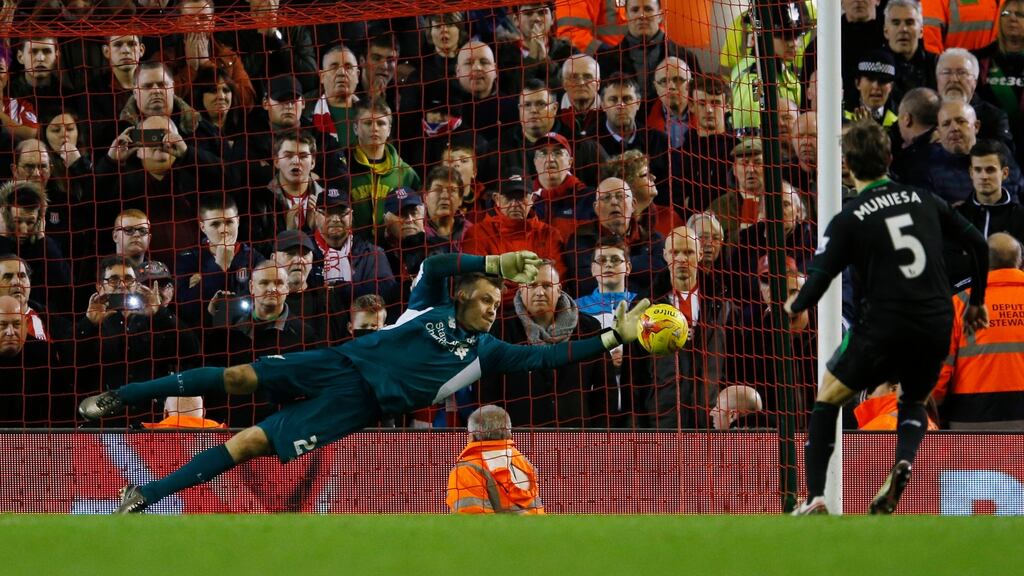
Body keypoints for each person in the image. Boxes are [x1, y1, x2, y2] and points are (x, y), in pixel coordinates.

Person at [78, 251, 650, 513]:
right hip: (338, 360)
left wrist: (614, 338)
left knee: (250, 442)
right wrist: (494, 262)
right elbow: (433, 265)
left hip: (357, 407)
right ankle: (117, 398)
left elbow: (552, 360)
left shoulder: (491, 353)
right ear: (463, 298)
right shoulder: (429, 305)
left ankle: (143, 496)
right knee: (236, 376)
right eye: (484, 299)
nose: (492, 309)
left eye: (495, 303)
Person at [787, 120, 990, 516]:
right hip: (936, 321)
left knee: (827, 399)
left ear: (847, 165)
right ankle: (904, 462)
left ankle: (815, 497)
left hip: (884, 324)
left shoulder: (851, 216)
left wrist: (794, 307)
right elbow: (979, 244)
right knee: (913, 398)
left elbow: (821, 279)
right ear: (889, 158)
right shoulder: (926, 199)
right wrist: (977, 302)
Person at [932, 233, 1024, 430]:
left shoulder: (960, 303)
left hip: (972, 423)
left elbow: (940, 370)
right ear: (1020, 261)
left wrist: (933, 407)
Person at [446, 404, 544, 514]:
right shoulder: (521, 460)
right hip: (540, 530)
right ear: (508, 433)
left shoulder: (466, 469)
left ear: (471, 436)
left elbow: (472, 522)